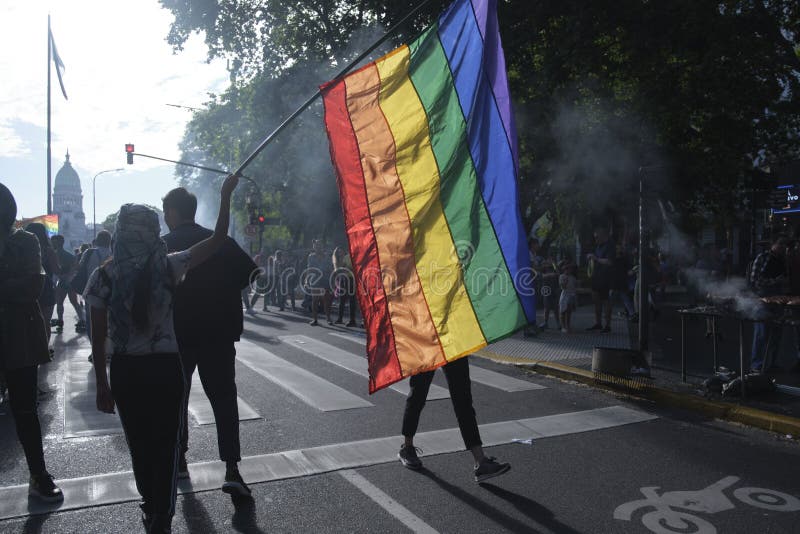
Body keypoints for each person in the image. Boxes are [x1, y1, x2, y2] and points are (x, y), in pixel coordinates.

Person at [85, 174, 239, 533]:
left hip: (125, 372)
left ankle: (150, 505)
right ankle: (162, 515)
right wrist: (225, 196)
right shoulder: (168, 265)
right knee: (166, 446)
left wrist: (102, 385)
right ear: (152, 231)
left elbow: (97, 338)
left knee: (138, 445)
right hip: (166, 369)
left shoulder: (102, 278)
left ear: (121, 232)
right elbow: (217, 240)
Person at [161, 186, 257, 498]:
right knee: (224, 400)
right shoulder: (222, 241)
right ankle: (231, 468)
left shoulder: (162, 247)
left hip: (178, 336)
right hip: (218, 332)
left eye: (166, 213)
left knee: (176, 398)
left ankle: (179, 461)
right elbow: (252, 274)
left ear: (173, 213)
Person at [0, 183, 63, 502]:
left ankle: (38, 472)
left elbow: (31, 286)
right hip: (17, 326)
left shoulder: (24, 241)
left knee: (25, 409)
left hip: (18, 334)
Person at [397, 356, 511, 483]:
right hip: (426, 343)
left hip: (451, 343)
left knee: (463, 401)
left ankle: (480, 461)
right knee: (418, 394)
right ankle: (407, 447)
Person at [749, 237, 788, 373]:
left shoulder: (783, 260)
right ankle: (756, 364)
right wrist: (775, 281)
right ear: (773, 244)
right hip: (762, 300)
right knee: (761, 333)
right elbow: (755, 280)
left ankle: (772, 362)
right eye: (780, 244)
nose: (783, 247)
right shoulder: (762, 258)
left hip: (778, 301)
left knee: (776, 334)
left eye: (784, 245)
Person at [25, 223, 58, 345]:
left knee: (28, 321)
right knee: (45, 322)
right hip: (45, 286)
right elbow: (56, 270)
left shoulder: (23, 250)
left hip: (27, 286)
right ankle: (44, 349)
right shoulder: (48, 251)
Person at [51, 234, 86, 333]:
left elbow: (76, 267)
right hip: (67, 281)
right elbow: (76, 267)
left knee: (62, 302)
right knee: (71, 302)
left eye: (54, 241)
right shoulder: (63, 254)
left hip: (64, 281)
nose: (52, 243)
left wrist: (66, 276)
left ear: (59, 242)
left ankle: (61, 320)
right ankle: (80, 320)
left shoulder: (60, 254)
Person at [586, 228, 614, 333]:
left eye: (597, 237)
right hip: (596, 277)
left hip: (606, 278)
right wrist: (590, 257)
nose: (595, 239)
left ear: (603, 236)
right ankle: (598, 323)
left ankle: (607, 325)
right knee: (596, 301)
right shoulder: (598, 246)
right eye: (595, 237)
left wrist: (596, 259)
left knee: (606, 302)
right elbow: (593, 257)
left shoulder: (610, 246)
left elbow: (609, 261)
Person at [305, 239, 333, 325]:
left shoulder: (327, 256)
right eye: (316, 245)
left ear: (322, 247)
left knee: (326, 300)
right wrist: (306, 281)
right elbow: (309, 269)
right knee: (315, 300)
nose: (318, 247)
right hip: (315, 281)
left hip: (325, 280)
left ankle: (328, 318)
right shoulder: (311, 256)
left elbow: (331, 269)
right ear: (314, 247)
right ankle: (315, 319)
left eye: (319, 245)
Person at [332, 246, 357, 326]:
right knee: (342, 300)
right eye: (338, 252)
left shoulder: (355, 256)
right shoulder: (346, 257)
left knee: (351, 300)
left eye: (341, 251)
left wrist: (347, 268)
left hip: (351, 279)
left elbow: (354, 268)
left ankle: (352, 320)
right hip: (343, 279)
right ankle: (340, 318)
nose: (340, 253)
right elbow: (340, 268)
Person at [559, 261, 578, 333]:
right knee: (563, 311)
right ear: (565, 270)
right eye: (568, 269)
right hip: (565, 295)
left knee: (569, 312)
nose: (569, 270)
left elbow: (575, 286)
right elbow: (562, 287)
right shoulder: (562, 276)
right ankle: (563, 326)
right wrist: (565, 281)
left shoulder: (573, 277)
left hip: (571, 295)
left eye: (570, 269)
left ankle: (568, 326)